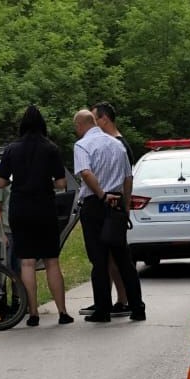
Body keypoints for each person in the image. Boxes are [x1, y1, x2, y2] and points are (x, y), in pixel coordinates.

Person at [0, 105, 73, 327]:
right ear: (42, 125)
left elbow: (2, 182)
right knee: (51, 261)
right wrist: (42, 181)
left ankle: (33, 314)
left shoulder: (11, 149)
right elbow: (61, 184)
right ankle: (62, 312)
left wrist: (20, 181)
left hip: (20, 208)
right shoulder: (51, 148)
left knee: (27, 263)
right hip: (44, 208)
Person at [72, 109, 145, 323]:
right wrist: (126, 203)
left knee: (99, 259)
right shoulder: (117, 144)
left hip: (96, 204)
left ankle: (102, 310)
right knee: (123, 258)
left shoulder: (82, 145)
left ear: (80, 125)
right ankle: (137, 307)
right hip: (117, 204)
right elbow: (128, 177)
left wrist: (102, 195)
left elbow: (86, 173)